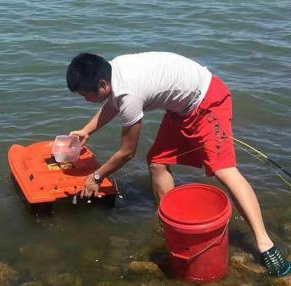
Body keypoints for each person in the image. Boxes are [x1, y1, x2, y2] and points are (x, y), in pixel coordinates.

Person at [65, 52, 291, 277]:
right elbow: (112, 105)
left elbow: (127, 153)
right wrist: (87, 131)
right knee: (157, 162)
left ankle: (264, 243)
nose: (87, 101)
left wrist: (96, 177)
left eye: (86, 95)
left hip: (209, 101)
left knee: (224, 170)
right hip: (181, 109)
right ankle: (171, 225)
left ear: (102, 83)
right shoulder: (115, 70)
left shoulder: (128, 93)